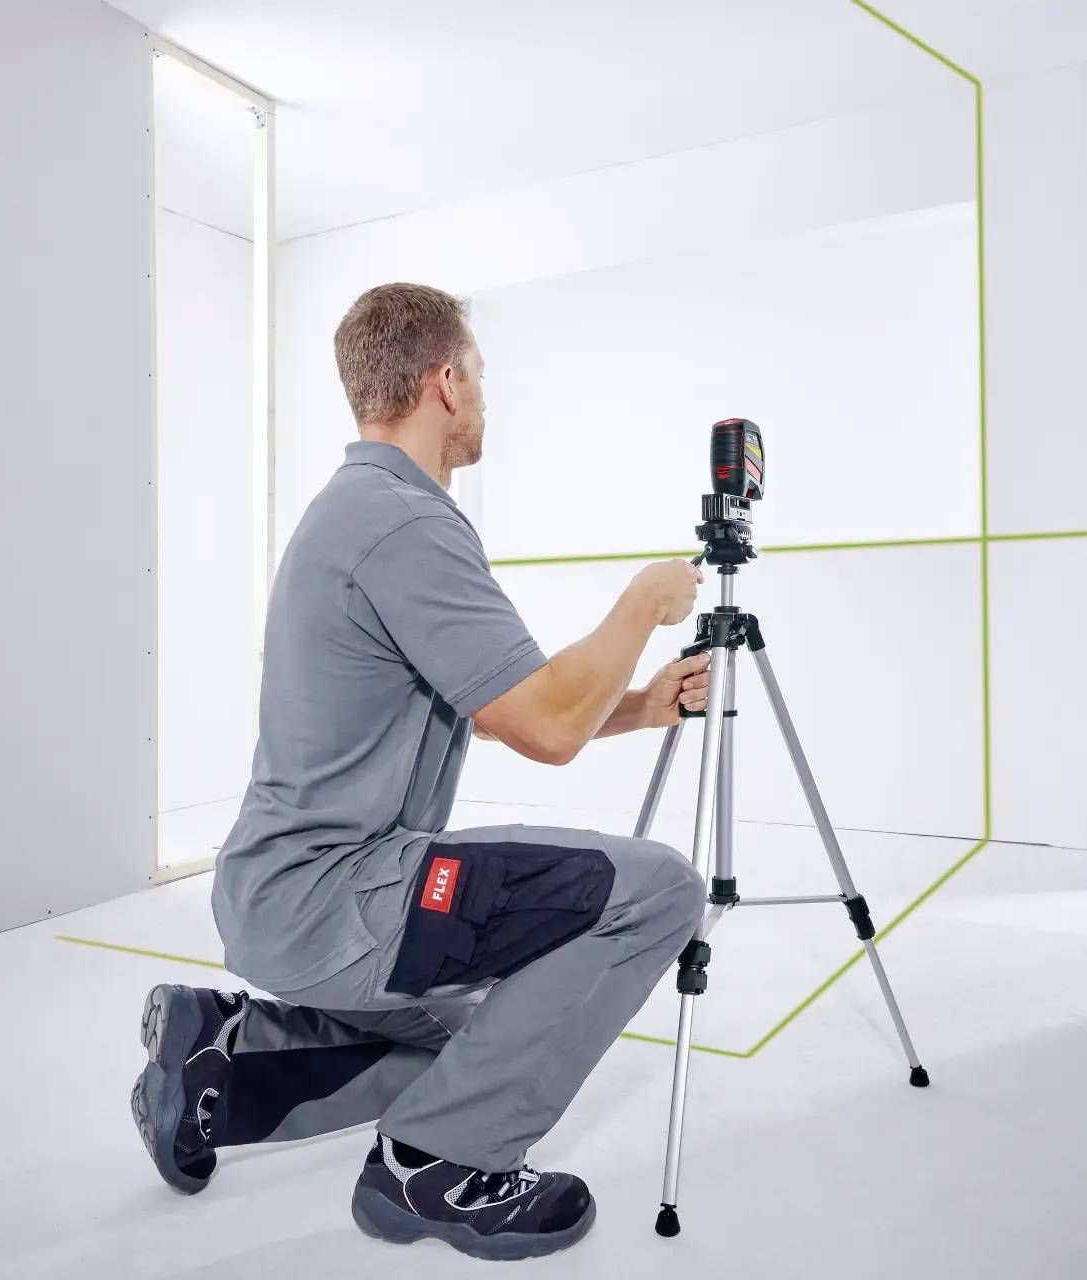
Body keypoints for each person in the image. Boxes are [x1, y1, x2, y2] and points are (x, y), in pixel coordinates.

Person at [129, 282, 712, 1261]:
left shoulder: (365, 511)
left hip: (288, 896)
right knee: (660, 891)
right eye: (479, 374)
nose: (485, 395)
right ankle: (444, 1162)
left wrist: (647, 704)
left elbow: (498, 701)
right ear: (445, 380)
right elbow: (546, 722)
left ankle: (219, 1061)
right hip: (339, 895)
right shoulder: (404, 524)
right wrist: (643, 600)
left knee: (475, 1041)